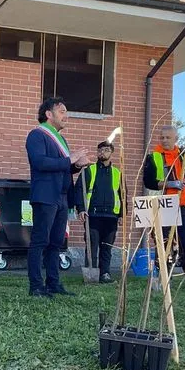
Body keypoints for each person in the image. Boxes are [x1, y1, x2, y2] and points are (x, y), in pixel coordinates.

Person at [26, 97, 91, 297]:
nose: (66, 115)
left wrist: (76, 165)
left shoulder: (60, 139)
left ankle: (53, 283)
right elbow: (40, 163)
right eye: (62, 111)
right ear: (48, 114)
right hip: (46, 195)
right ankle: (36, 285)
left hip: (62, 197)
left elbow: (61, 166)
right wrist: (70, 159)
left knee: (56, 242)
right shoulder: (37, 135)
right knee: (40, 240)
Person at [142, 125, 185, 292]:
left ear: (175, 139)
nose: (164, 140)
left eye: (168, 138)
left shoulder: (182, 155)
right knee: (162, 244)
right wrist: (168, 183)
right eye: (162, 137)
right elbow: (148, 181)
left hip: (181, 206)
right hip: (162, 205)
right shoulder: (154, 157)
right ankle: (162, 277)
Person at [76, 141, 123, 283]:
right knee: (92, 246)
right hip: (93, 215)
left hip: (111, 216)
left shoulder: (117, 173)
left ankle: (105, 274)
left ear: (111, 153)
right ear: (97, 153)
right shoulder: (89, 170)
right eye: (100, 150)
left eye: (106, 150)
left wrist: (121, 214)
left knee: (107, 247)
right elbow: (79, 190)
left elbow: (122, 193)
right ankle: (91, 273)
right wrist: (81, 209)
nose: (103, 152)